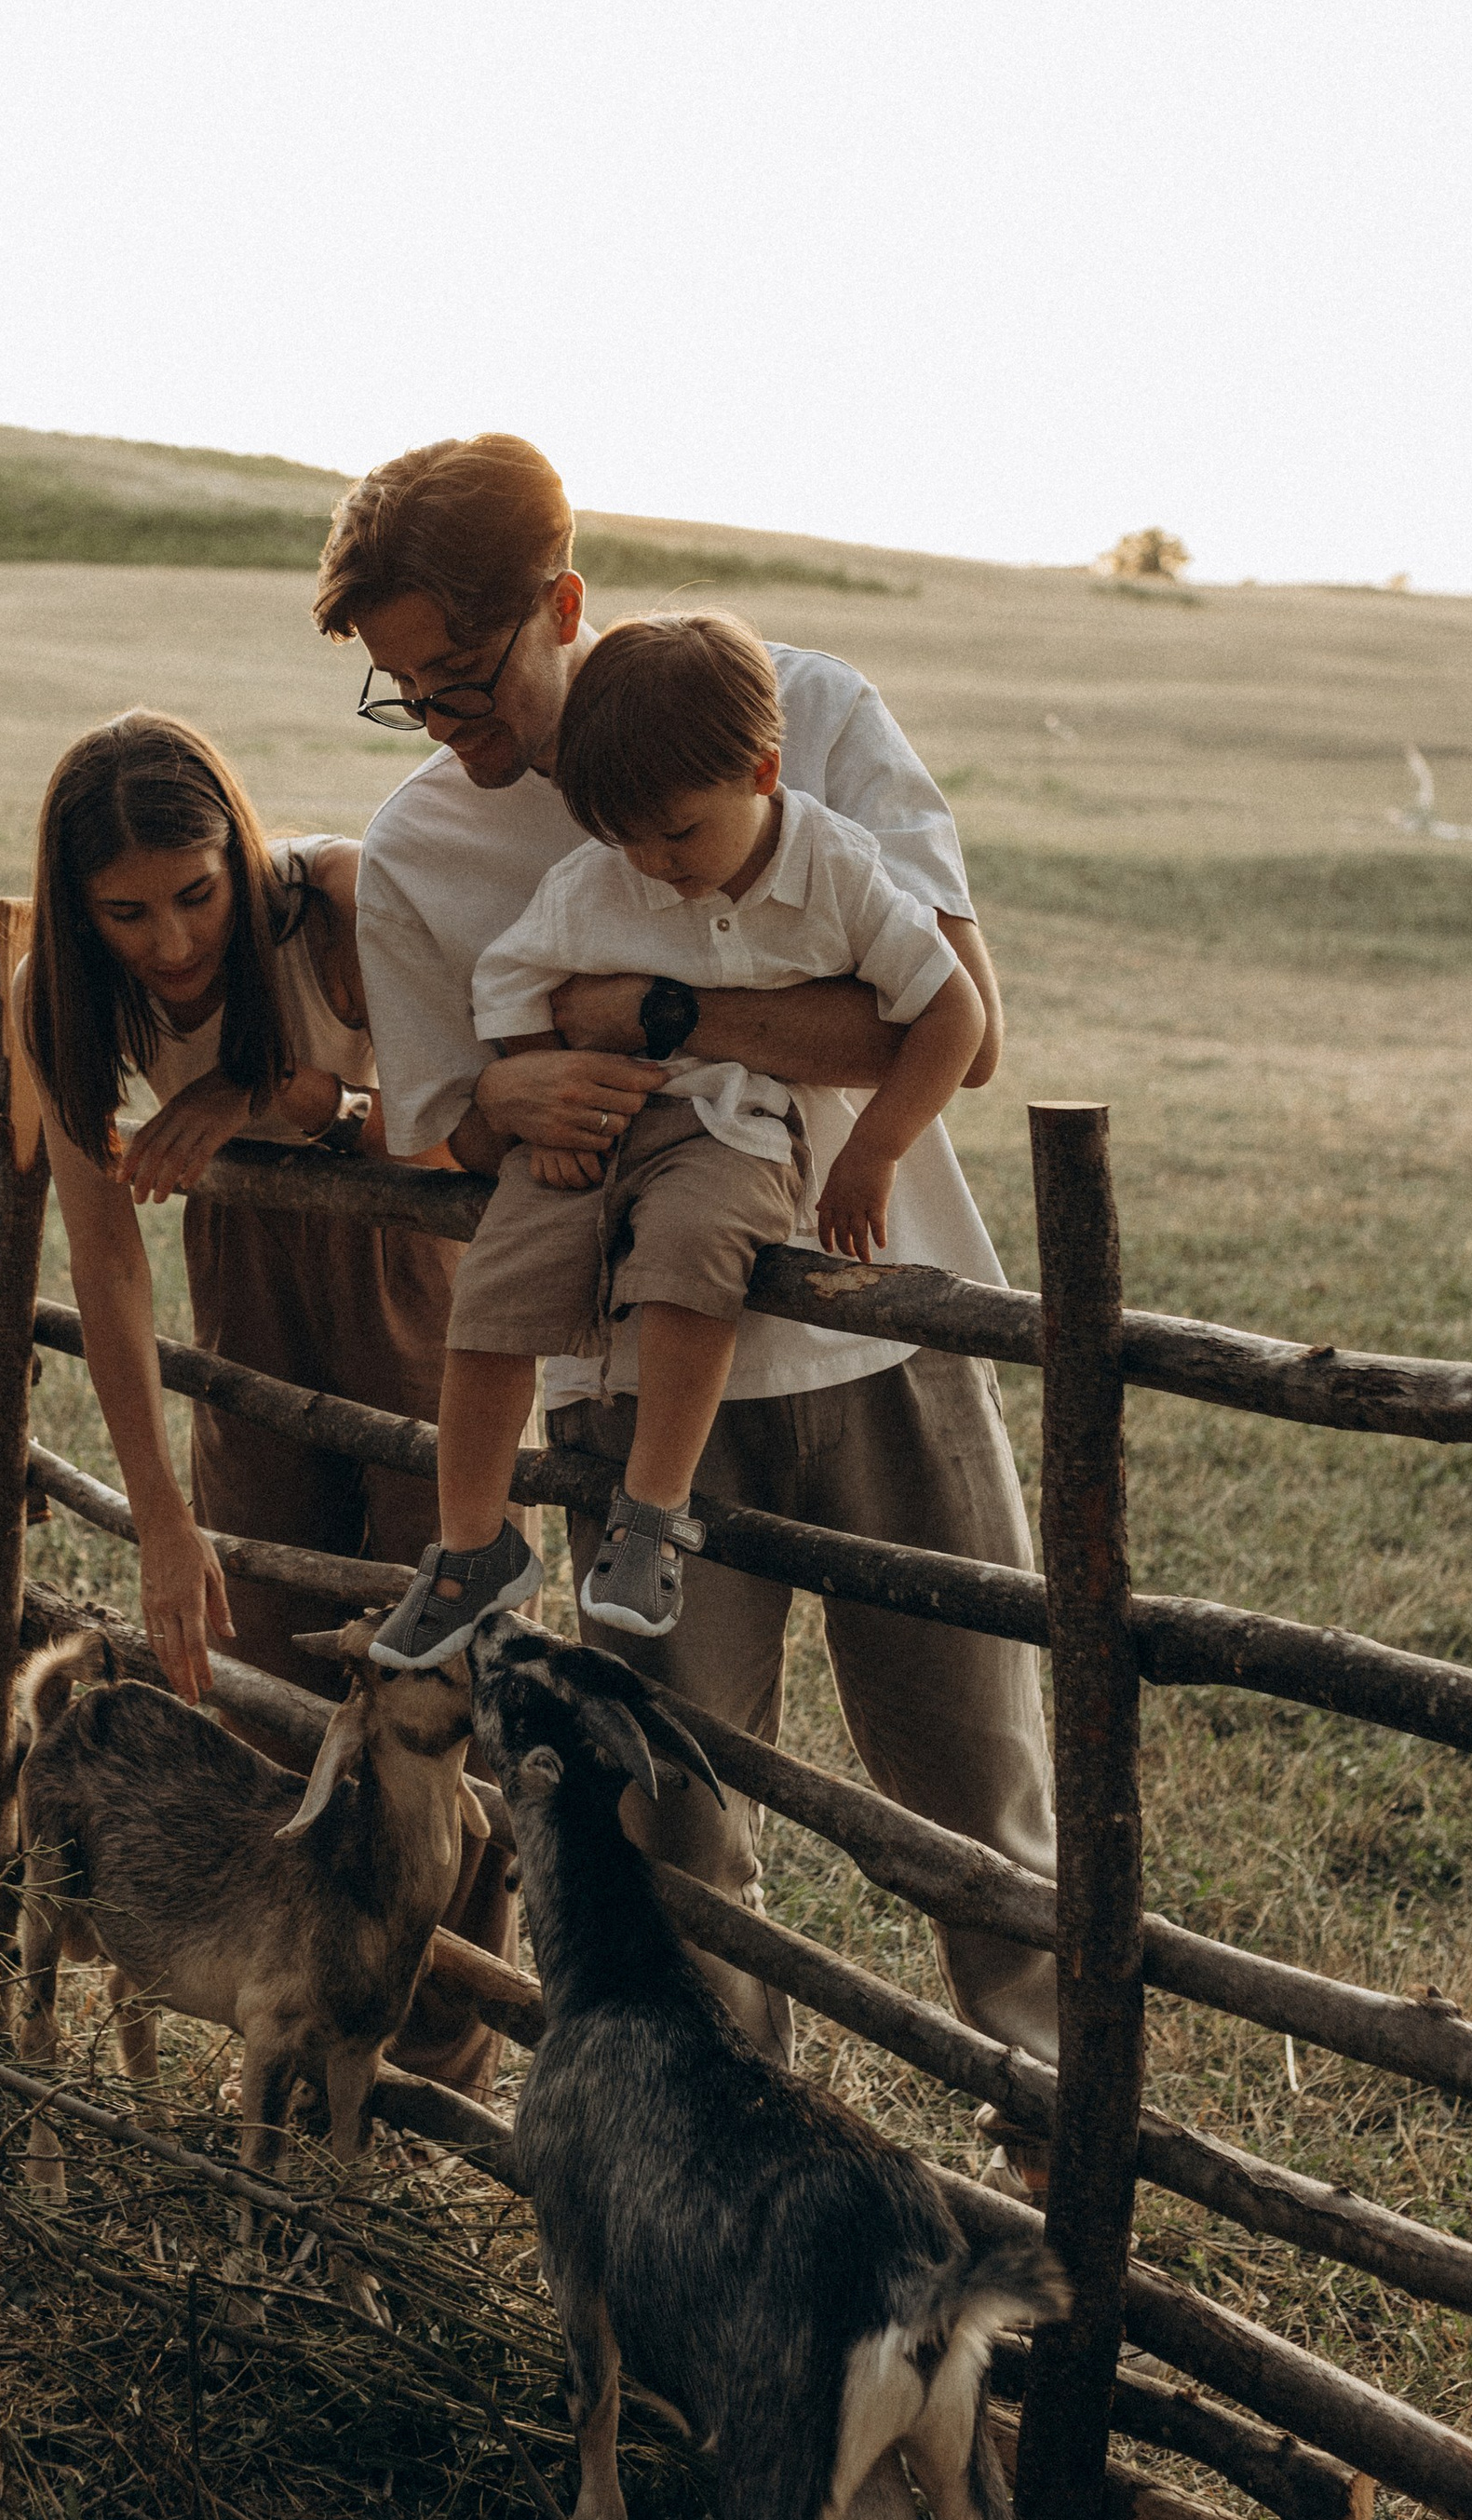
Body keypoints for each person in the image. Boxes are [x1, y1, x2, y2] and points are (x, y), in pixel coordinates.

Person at [315, 434, 1060, 2111]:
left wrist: (646, 1019)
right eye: (406, 696)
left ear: (560, 603)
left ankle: (1049, 2141)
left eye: (464, 678)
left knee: (973, 1788)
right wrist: (513, 1089)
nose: (447, 724)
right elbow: (441, 1122)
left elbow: (953, 1022)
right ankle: (730, 2178)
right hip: (624, 1380)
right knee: (670, 1814)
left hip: (882, 1334)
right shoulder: (422, 847)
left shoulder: (797, 711)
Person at [18, 707, 514, 2088]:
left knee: (432, 1664)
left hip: (413, 1279)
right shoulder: (56, 997)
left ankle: (439, 2059)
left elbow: (448, 1129)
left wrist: (271, 1096)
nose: (170, 943)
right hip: (243, 1294)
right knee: (274, 1669)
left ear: (238, 853)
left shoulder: (338, 906)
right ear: (75, 910)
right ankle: (300, 2031)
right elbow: (108, 1264)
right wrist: (161, 1521)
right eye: (124, 913)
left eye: (195, 894)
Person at [373, 611, 985, 1665]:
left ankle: (652, 1508)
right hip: (600, 1137)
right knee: (488, 1300)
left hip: (732, 1134)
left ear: (761, 770)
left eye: (678, 834)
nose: (657, 866)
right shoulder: (601, 877)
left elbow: (955, 1017)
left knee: (686, 1261)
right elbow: (508, 978)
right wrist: (533, 1081)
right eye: (630, 840)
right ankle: (472, 1546)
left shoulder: (835, 867)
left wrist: (873, 1152)